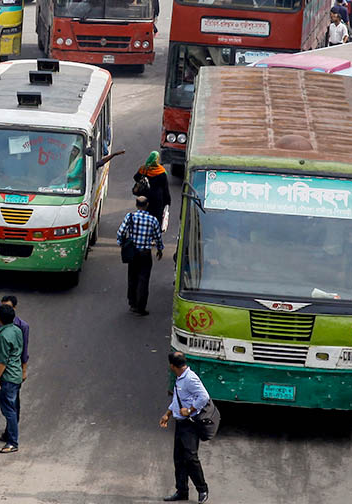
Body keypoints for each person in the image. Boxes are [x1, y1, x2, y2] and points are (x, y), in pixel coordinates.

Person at [160, 352, 210, 504]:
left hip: (190, 424)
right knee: (179, 459)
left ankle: (202, 489)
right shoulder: (180, 378)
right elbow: (178, 400)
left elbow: (204, 397)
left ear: (172, 366)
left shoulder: (190, 378)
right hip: (180, 424)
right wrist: (167, 414)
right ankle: (182, 491)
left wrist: (189, 410)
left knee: (190, 458)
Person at [0, 295, 29, 439]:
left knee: (10, 407)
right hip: (5, 370)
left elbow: (21, 351)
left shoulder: (20, 327)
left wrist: (24, 370)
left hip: (6, 373)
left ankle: (11, 437)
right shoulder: (5, 328)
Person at [117, 196, 164, 316]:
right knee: (143, 280)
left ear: (136, 205)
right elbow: (158, 237)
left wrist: (122, 243)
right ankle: (140, 307)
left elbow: (121, 232)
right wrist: (159, 249)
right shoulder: (152, 220)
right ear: (147, 205)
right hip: (145, 254)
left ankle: (132, 303)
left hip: (133, 253)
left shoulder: (130, 217)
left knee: (132, 277)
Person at [0, 303, 24, 454]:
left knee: (8, 410)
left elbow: (3, 362)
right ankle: (9, 436)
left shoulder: (3, 335)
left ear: (0, 318)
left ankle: (12, 442)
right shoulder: (17, 330)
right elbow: (15, 350)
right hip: (16, 374)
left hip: (8, 377)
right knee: (13, 407)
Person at [134, 151, 172, 226]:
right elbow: (165, 188)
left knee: (145, 213)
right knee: (157, 216)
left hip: (146, 196)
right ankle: (155, 231)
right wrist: (167, 201)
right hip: (158, 198)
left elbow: (136, 177)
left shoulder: (144, 169)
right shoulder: (161, 171)